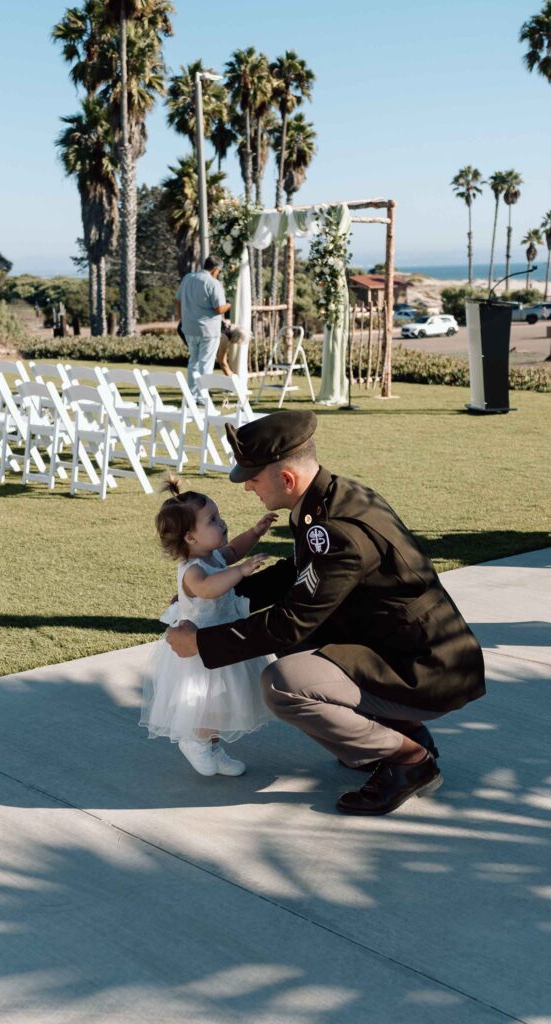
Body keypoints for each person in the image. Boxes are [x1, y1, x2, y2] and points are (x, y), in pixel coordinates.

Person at [166, 410, 486, 815]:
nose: (247, 487)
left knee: (283, 682)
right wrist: (208, 597)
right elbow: (299, 570)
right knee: (298, 646)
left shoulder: (335, 528)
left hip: (425, 669)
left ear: (286, 479)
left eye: (254, 477)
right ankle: (397, 732)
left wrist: (201, 642)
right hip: (404, 648)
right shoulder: (329, 497)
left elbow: (288, 623)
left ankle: (409, 759)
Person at [140, 477, 277, 777]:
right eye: (212, 520)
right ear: (190, 537)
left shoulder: (212, 555)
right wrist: (240, 572)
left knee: (224, 706)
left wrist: (255, 532)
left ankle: (213, 748)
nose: (222, 523)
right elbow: (209, 589)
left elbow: (234, 550)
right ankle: (196, 741)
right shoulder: (193, 571)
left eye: (218, 515)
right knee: (212, 706)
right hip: (201, 651)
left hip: (223, 640)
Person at [174, 255, 231, 403]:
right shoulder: (213, 283)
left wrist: (182, 318)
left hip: (189, 327)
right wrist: (230, 304)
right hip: (208, 330)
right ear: (215, 270)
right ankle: (202, 396)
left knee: (193, 362)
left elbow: (178, 300)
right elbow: (219, 308)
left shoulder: (188, 278)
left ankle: (192, 395)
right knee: (206, 363)